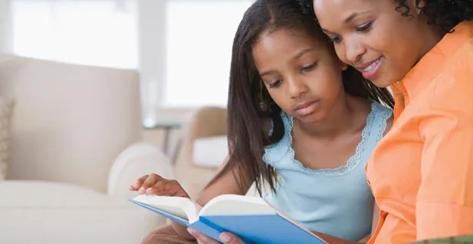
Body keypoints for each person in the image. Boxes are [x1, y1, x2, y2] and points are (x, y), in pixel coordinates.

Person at [131, 0, 393, 243]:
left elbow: (384, 238)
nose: (295, 90)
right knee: (161, 239)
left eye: (307, 66)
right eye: (275, 82)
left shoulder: (387, 133)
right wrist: (180, 205)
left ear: (338, 53)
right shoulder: (268, 130)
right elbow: (203, 220)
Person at [296, 0, 473, 242]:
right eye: (335, 38)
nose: (349, 54)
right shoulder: (421, 79)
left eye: (362, 26)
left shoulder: (456, 90)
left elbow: (451, 236)